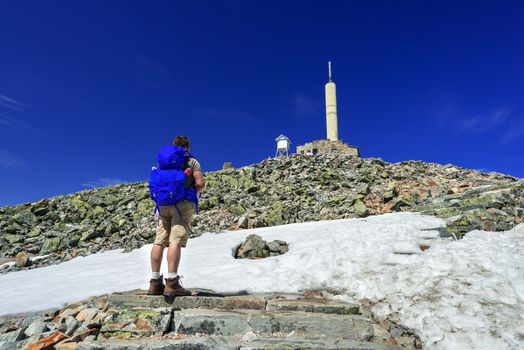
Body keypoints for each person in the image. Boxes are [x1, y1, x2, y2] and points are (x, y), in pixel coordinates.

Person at [148, 135, 205, 296]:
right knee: (175, 240)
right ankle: (172, 283)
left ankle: (154, 282)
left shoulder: (163, 163)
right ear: (188, 146)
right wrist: (192, 193)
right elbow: (200, 183)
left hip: (163, 205)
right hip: (182, 204)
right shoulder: (191, 161)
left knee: (159, 241)